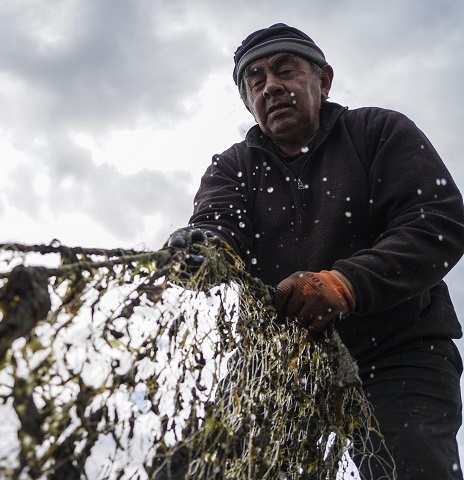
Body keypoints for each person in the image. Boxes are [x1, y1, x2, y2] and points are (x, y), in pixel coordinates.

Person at [168, 23, 464, 479]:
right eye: (256, 81)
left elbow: (438, 221)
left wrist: (344, 284)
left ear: (323, 80)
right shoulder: (234, 167)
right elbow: (218, 228)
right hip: (283, 355)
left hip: (401, 347)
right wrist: (202, 248)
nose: (271, 87)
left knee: (411, 465)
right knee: (207, 465)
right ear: (248, 101)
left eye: (285, 70)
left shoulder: (377, 131)